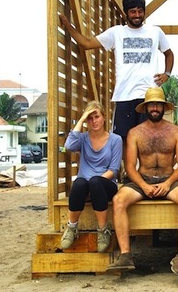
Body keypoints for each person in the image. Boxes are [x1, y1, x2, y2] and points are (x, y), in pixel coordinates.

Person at [59, 0, 174, 149]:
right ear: (126, 13)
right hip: (124, 94)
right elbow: (86, 43)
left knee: (149, 139)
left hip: (149, 95)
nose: (137, 15)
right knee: (124, 140)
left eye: (140, 11)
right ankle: (128, 173)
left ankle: (143, 172)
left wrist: (167, 74)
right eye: (133, 12)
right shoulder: (116, 32)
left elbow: (169, 53)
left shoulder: (155, 32)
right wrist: (66, 24)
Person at [105, 87, 178, 277]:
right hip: (142, 179)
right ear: (145, 108)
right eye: (151, 105)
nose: (155, 108)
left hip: (168, 179)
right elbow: (129, 166)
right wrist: (144, 185)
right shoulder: (135, 133)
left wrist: (168, 183)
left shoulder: (176, 131)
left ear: (164, 107)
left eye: (158, 105)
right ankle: (126, 255)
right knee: (118, 200)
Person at [60, 101, 123, 253]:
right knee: (80, 183)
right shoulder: (82, 138)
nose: (94, 121)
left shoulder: (115, 139)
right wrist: (81, 120)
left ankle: (103, 229)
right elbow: (68, 146)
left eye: (97, 117)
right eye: (90, 118)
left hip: (106, 183)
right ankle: (72, 226)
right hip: (85, 184)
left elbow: (113, 169)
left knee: (95, 182)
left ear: (104, 117)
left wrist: (97, 182)